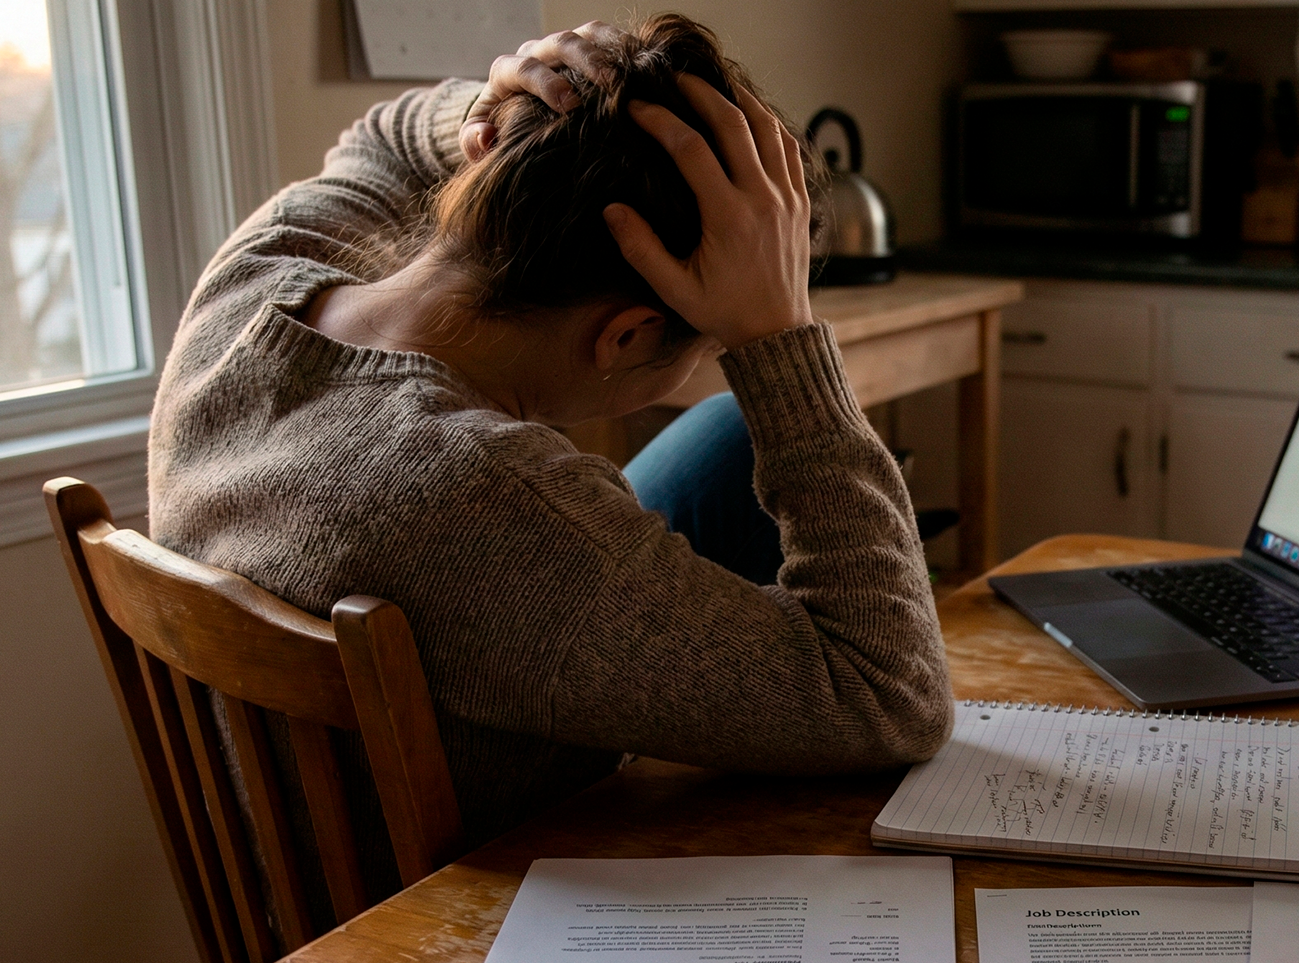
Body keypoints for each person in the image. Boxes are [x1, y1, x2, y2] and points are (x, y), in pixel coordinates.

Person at [146, 17, 951, 855]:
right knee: (865, 669)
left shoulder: (252, 281)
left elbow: (379, 141)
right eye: (711, 347)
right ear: (628, 337)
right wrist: (780, 337)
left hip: (353, 750)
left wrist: (523, 109)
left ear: (485, 160)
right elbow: (891, 695)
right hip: (466, 929)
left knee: (725, 434)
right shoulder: (492, 507)